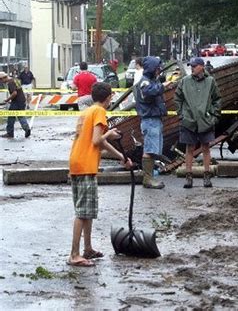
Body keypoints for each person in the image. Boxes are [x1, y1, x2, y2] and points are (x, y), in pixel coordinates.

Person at [68, 82, 133, 267]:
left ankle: (87, 249)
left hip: (78, 162)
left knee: (86, 211)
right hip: (85, 164)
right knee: (82, 212)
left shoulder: (87, 112)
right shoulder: (99, 112)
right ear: (109, 97)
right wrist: (109, 133)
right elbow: (98, 140)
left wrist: (122, 157)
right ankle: (74, 255)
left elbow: (98, 142)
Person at [174, 57, 221, 188]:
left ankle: (207, 176)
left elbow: (217, 99)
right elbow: (177, 98)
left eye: (194, 66)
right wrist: (182, 114)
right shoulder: (185, 81)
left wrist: (214, 116)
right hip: (189, 121)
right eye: (191, 66)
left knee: (206, 148)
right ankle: (188, 177)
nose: (192, 68)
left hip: (205, 121)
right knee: (189, 149)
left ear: (202, 66)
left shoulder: (210, 81)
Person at [134, 56, 170, 189]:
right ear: (151, 68)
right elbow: (148, 93)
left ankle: (150, 177)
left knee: (153, 150)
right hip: (150, 120)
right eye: (157, 68)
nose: (159, 70)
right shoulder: (145, 82)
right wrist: (162, 86)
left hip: (154, 119)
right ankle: (147, 179)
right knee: (149, 149)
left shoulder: (151, 80)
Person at [0, 71, 31, 139]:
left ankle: (10, 133)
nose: (1, 82)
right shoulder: (15, 79)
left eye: (1, 80)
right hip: (21, 100)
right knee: (20, 115)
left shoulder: (10, 83)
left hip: (16, 102)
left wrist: (7, 100)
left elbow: (14, 93)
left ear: (4, 78)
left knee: (11, 117)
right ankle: (27, 129)